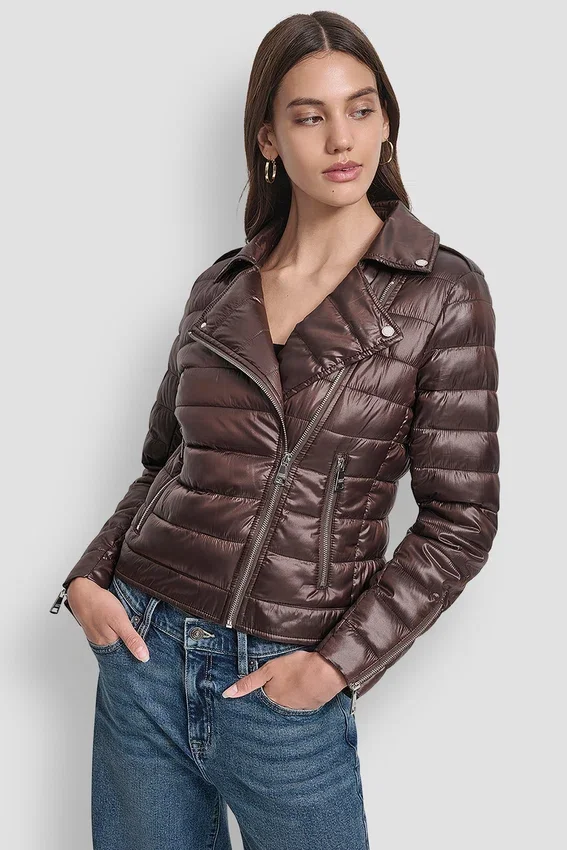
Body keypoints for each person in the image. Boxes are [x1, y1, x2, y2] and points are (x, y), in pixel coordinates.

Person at [50, 11, 500, 850]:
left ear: (387, 122)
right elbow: (167, 462)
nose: (341, 138)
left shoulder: (440, 293)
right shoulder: (221, 287)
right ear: (268, 138)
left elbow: (461, 520)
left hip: (282, 682)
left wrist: (333, 666)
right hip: (143, 652)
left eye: (360, 109)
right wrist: (87, 577)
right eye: (309, 115)